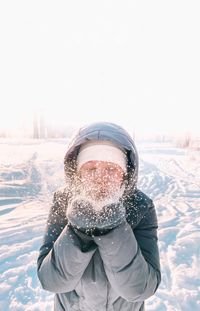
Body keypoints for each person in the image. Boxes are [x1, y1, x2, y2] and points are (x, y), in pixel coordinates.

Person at [37, 121, 161, 311]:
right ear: (77, 173)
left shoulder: (141, 206)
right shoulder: (63, 201)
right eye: (91, 169)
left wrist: (115, 227)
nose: (100, 178)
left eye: (111, 169)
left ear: (125, 174)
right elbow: (52, 281)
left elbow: (141, 288)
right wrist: (78, 229)